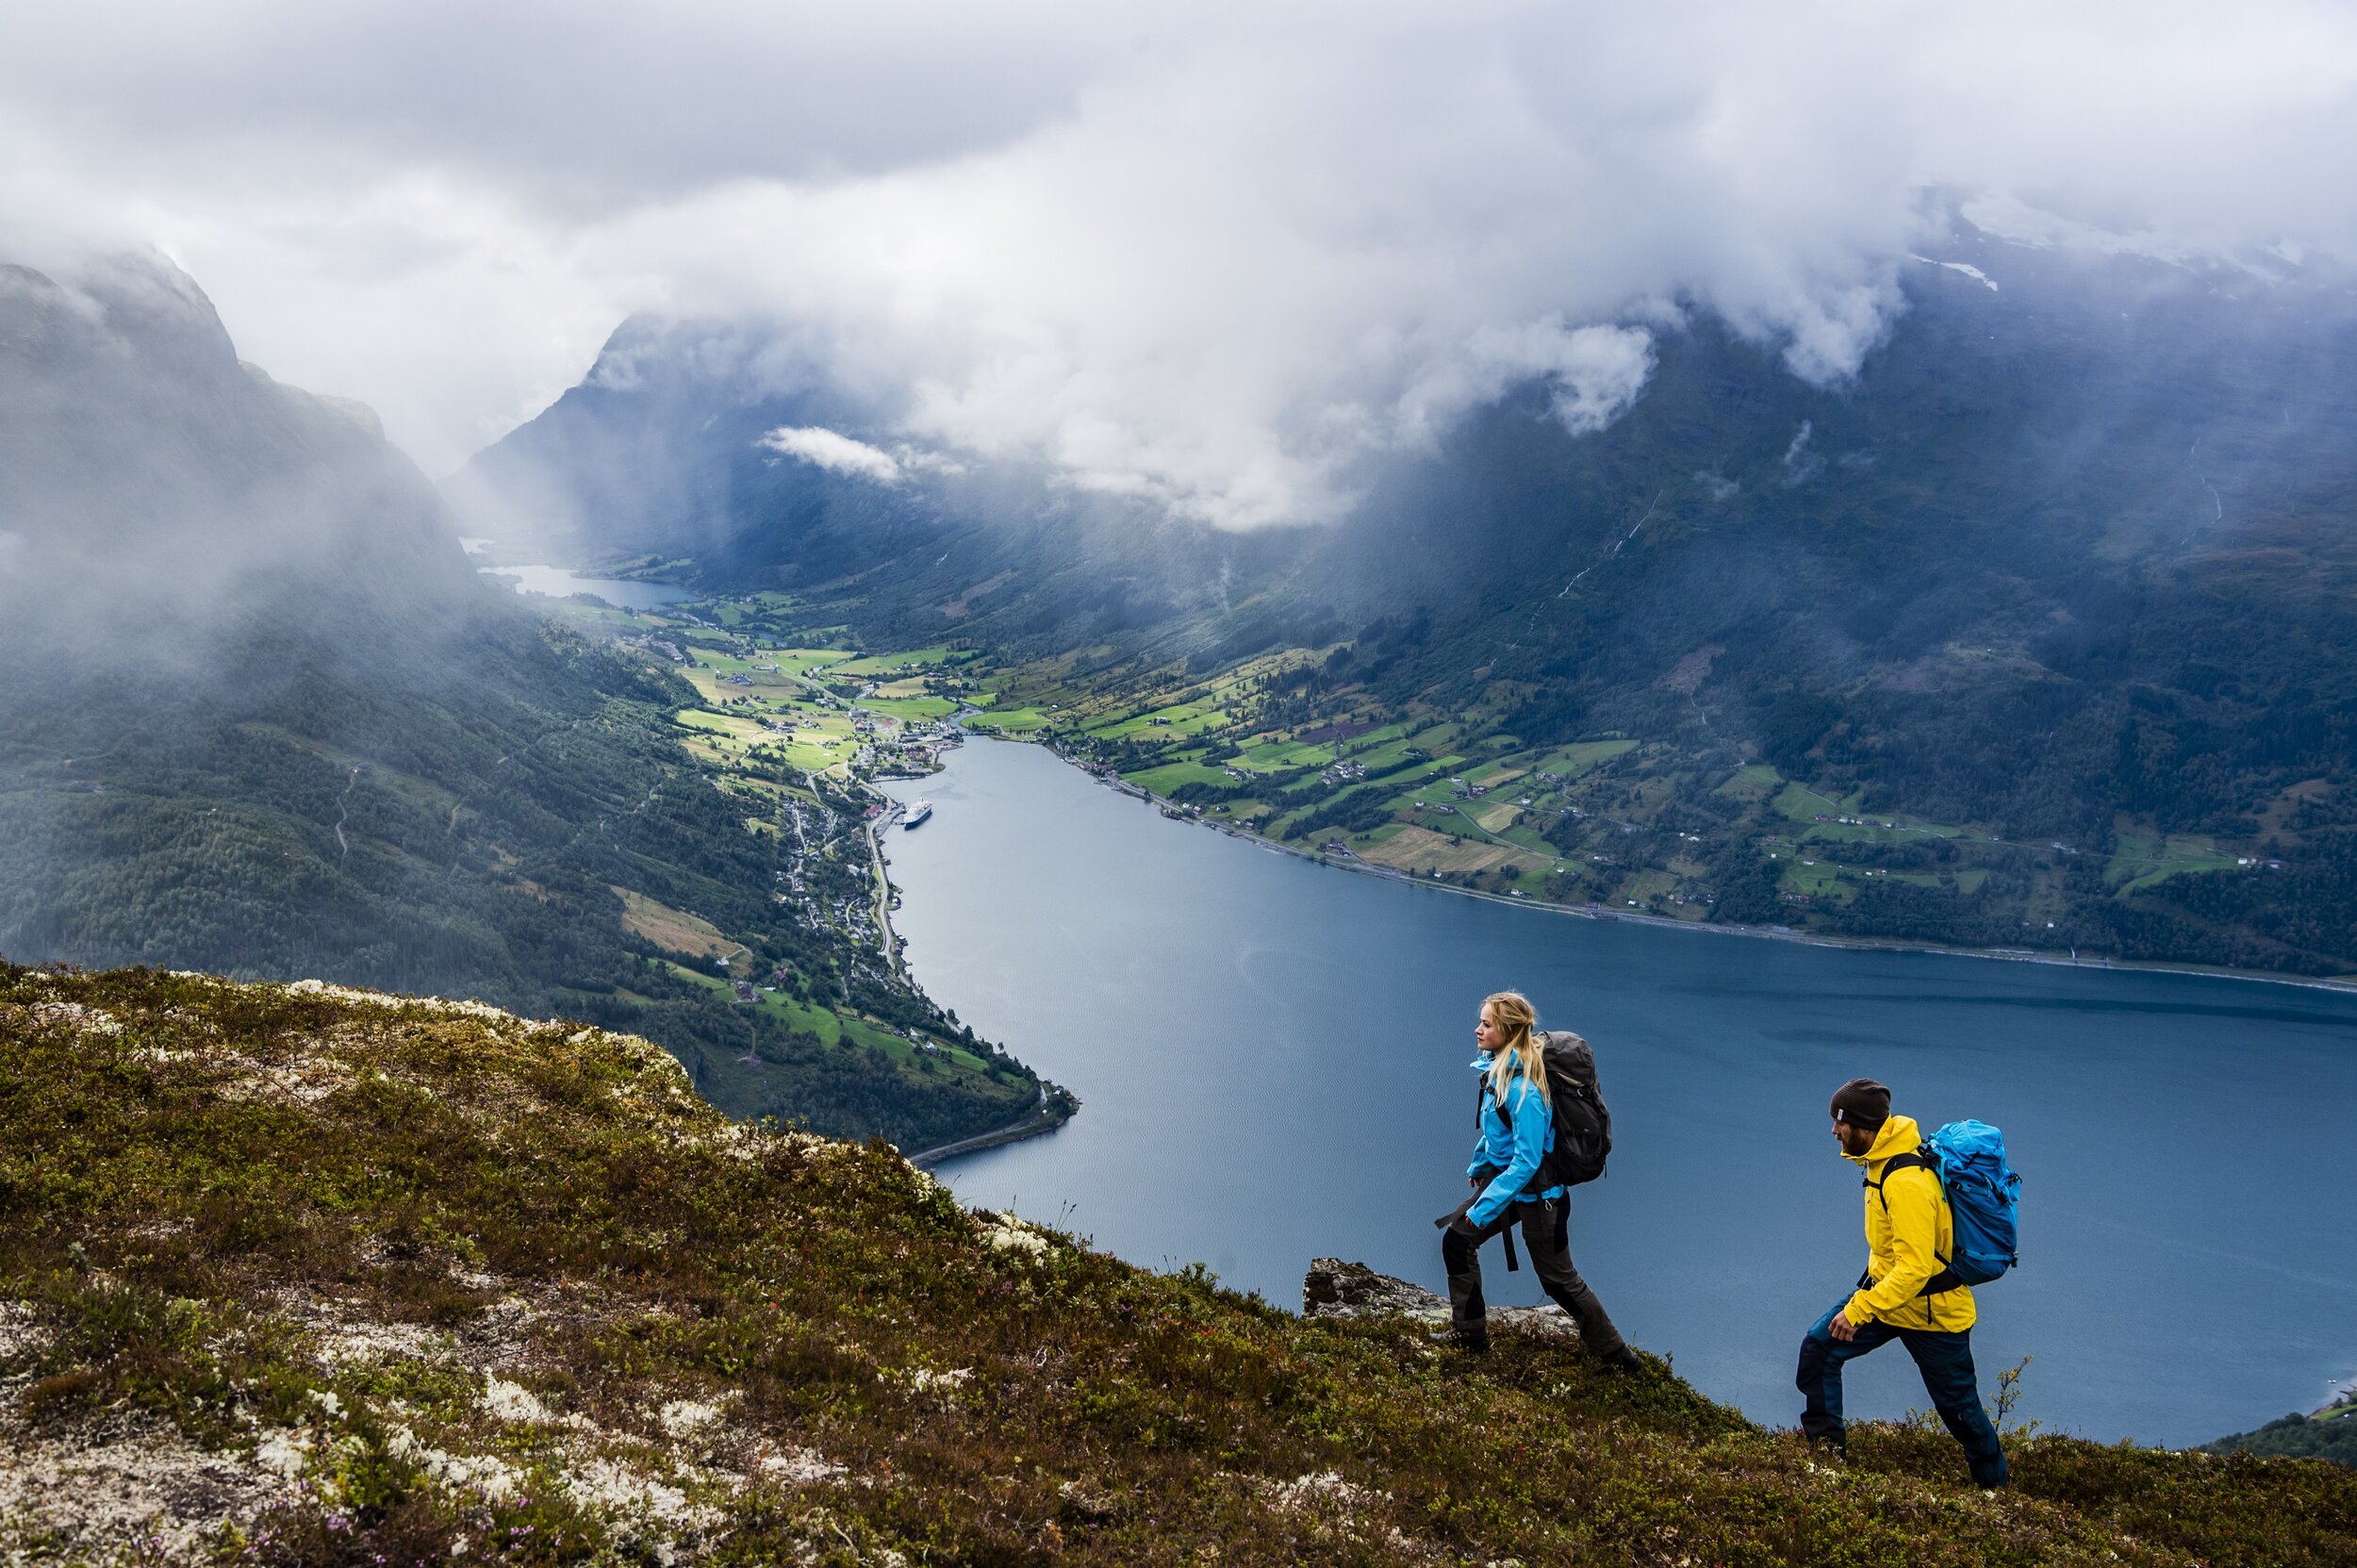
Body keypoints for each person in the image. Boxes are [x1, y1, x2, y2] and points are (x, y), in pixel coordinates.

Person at [1797, 1078, 2008, 1488]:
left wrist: (1858, 1310)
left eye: (1839, 1122)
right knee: (1819, 1350)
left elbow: (1914, 1269)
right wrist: (1866, 1298)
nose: (1833, 1131)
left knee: (1962, 1413)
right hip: (1890, 1300)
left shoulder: (1906, 1181)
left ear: (1863, 1126)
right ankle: (1828, 1470)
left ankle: (1996, 1495)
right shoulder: (1879, 1161)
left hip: (1934, 1314)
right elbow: (1891, 1252)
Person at [1433, 991, 1639, 1368]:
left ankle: (1618, 1357)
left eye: (1486, 1024)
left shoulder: (1525, 1090)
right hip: (1512, 1188)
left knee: (1558, 1280)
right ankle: (1470, 1337)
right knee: (1457, 1242)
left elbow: (1527, 1162)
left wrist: (1485, 1208)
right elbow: (1497, 1132)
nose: (1477, 1029)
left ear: (1508, 1031)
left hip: (1543, 1198)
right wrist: (1479, 1165)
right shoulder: (1497, 1068)